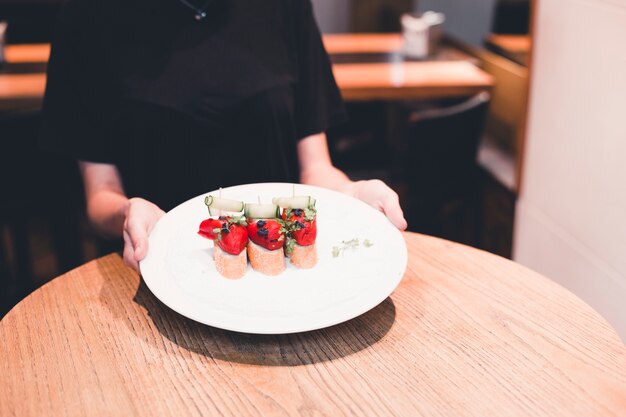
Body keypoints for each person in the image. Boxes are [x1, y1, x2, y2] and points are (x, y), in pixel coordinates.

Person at [40, 0, 407, 271]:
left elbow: (315, 170)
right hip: (157, 272)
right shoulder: (86, 15)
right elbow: (100, 193)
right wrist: (127, 211)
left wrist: (351, 194)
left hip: (278, 279)